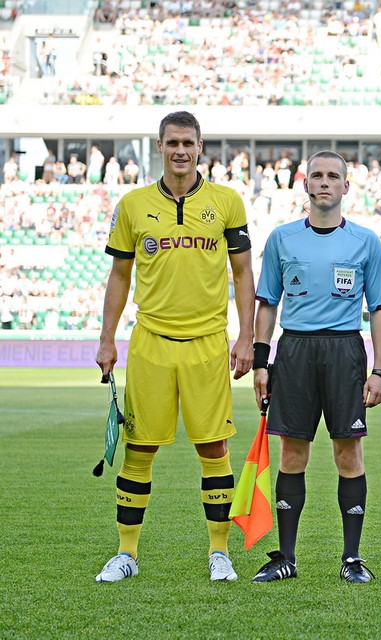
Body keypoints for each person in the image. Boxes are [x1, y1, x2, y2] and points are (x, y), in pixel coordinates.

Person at [94, 111, 255, 583]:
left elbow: (244, 273)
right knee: (138, 450)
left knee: (213, 448)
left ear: (200, 147)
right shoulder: (133, 204)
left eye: (188, 142)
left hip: (207, 343)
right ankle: (126, 554)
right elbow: (119, 275)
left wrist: (246, 336)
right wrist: (107, 337)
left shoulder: (227, 202)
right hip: (151, 344)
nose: (180, 151)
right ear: (159, 147)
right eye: (172, 143)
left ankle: (219, 553)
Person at [250, 151, 381, 584]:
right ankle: (286, 557)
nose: (326, 182)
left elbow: (379, 311)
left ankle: (351, 558)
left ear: (346, 186)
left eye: (334, 176)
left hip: (344, 352)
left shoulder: (366, 241)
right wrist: (262, 362)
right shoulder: (282, 238)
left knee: (347, 452)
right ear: (306, 184)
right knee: (292, 453)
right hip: (294, 351)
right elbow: (268, 304)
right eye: (318, 175)